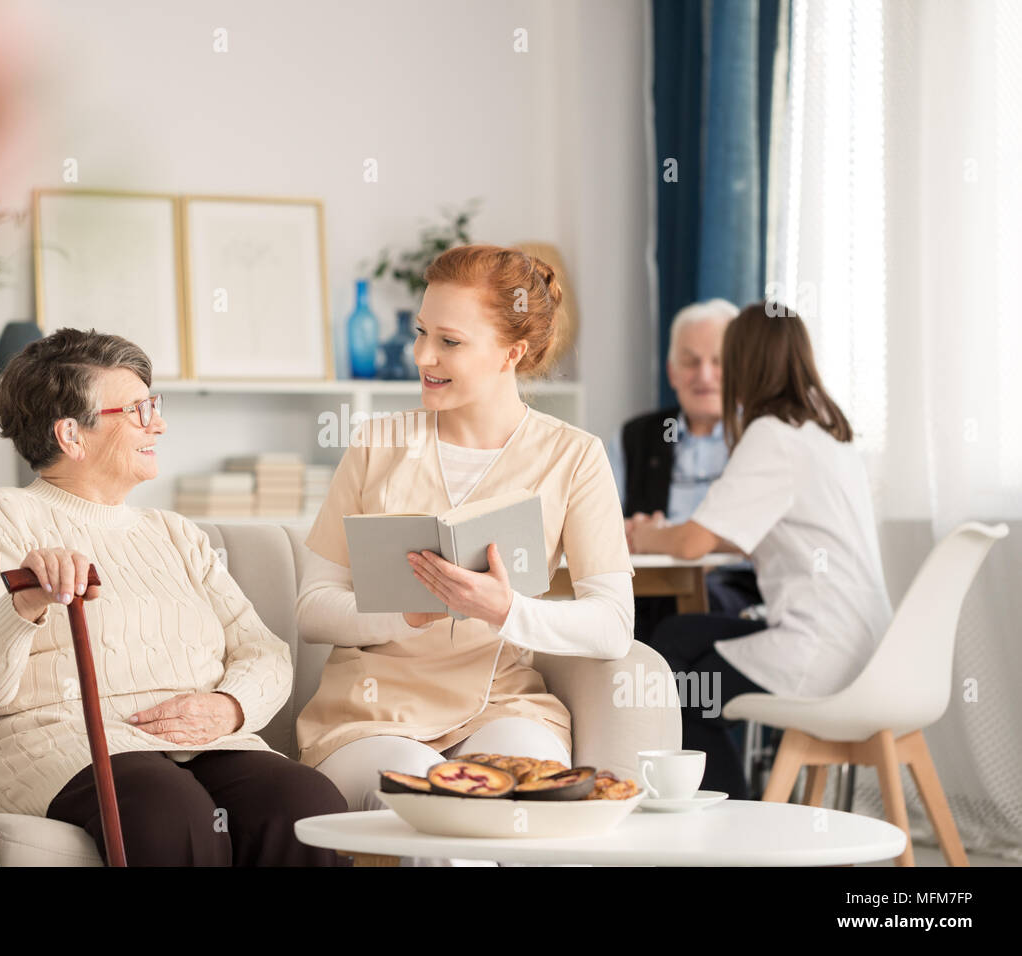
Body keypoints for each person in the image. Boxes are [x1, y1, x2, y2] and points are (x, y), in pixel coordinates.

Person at [0, 328, 348, 866]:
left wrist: (228, 707)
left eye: (155, 406)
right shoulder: (1, 517)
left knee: (307, 806)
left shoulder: (174, 533)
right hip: (60, 742)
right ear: (72, 435)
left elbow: (263, 651)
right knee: (169, 810)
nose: (159, 424)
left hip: (200, 742)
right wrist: (23, 604)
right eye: (140, 411)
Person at [295, 244, 636, 825]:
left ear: (513, 351)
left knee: (533, 804)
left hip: (505, 704)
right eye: (422, 332)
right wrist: (403, 614)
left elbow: (613, 626)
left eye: (449, 342)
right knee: (438, 806)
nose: (423, 355)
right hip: (373, 714)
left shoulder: (573, 457)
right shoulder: (378, 444)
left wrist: (509, 610)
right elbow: (311, 610)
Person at [628, 301, 893, 800]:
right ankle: (718, 801)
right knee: (678, 637)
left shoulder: (771, 434)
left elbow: (691, 543)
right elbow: (733, 531)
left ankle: (736, 818)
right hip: (866, 643)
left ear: (747, 361)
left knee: (683, 693)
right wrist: (674, 532)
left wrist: (642, 534)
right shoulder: (823, 433)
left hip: (818, 651)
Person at [607, 299, 762, 638]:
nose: (704, 376)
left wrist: (680, 541)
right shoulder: (635, 436)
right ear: (672, 372)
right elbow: (600, 522)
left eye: (719, 361)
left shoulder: (760, 437)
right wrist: (633, 529)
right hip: (645, 585)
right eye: (690, 362)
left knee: (681, 624)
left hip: (735, 587)